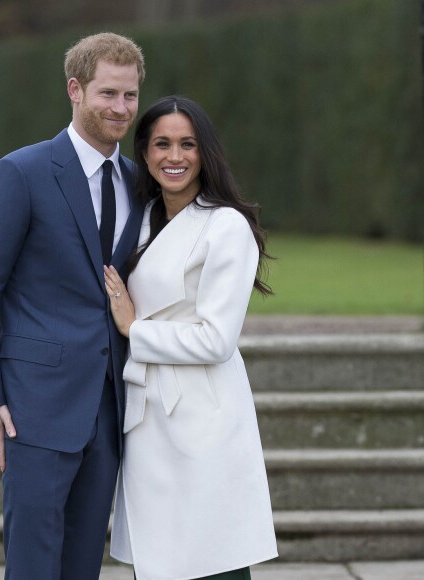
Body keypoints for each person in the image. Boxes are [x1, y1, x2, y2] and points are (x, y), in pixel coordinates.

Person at [0, 32, 145, 579]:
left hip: (109, 410)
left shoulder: (137, 182)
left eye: (130, 96)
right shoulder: (21, 173)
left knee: (83, 564)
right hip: (34, 409)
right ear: (75, 90)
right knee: (35, 564)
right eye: (108, 93)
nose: (120, 108)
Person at [104, 96, 278, 580]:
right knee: (158, 562)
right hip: (146, 416)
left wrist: (135, 330)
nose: (174, 156)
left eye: (187, 144)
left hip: (203, 416)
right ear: (143, 152)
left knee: (210, 557)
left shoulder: (226, 226)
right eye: (161, 144)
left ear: (206, 153)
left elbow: (216, 340)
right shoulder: (137, 219)